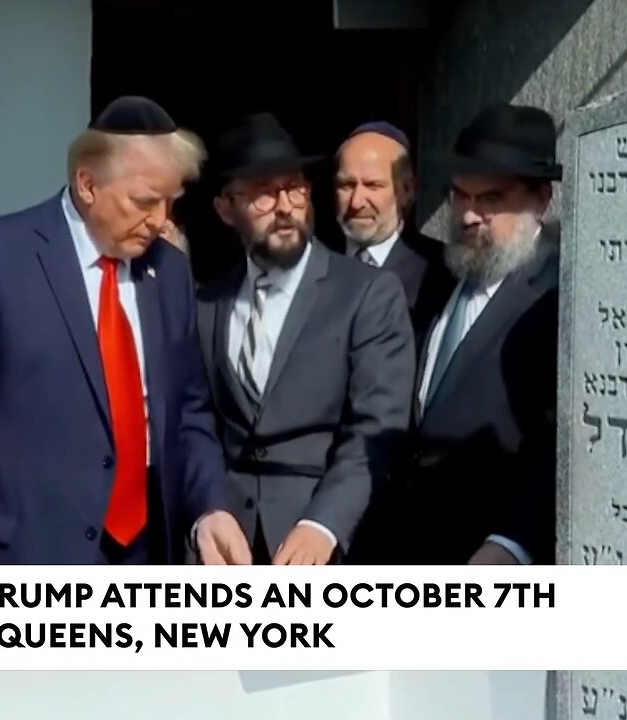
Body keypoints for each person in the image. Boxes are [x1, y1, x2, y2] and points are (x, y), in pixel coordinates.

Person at [0, 96, 250, 565]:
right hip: (22, 556)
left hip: (143, 554)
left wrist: (210, 508)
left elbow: (188, 409)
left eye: (171, 202)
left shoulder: (169, 273)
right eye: (144, 201)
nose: (160, 220)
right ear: (88, 184)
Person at [195, 112, 414, 564]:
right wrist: (207, 511)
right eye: (263, 194)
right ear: (224, 208)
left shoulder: (366, 293)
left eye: (294, 188)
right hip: (224, 551)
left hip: (324, 547)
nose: (284, 207)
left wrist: (324, 524)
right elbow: (194, 420)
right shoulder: (207, 300)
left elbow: (378, 425)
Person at [361, 103, 561, 565]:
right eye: (459, 196)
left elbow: (557, 446)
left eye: (490, 199)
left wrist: (511, 545)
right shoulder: (439, 274)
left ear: (540, 199)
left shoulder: (558, 297)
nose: (469, 216)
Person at [334, 121, 455, 335]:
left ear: (407, 190)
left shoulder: (440, 273)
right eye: (347, 185)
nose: (356, 202)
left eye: (373, 185)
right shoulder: (313, 261)